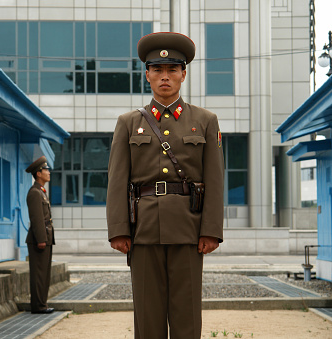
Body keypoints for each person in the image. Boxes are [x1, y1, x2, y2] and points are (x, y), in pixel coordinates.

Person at [106, 32, 224, 338]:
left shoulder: (206, 120)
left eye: (172, 69)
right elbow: (117, 179)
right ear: (147, 75)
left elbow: (214, 178)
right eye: (157, 70)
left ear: (183, 74)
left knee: (187, 316)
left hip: (188, 229)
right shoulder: (128, 123)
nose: (165, 77)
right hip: (143, 231)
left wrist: (211, 230)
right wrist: (119, 229)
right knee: (147, 317)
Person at [25, 156, 55, 314]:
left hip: (45, 238)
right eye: (46, 170)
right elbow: (37, 219)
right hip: (40, 240)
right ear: (38, 173)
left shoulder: (40, 191)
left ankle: (42, 304)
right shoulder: (35, 193)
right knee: (39, 274)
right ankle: (38, 306)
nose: (49, 172)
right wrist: (42, 239)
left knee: (44, 274)